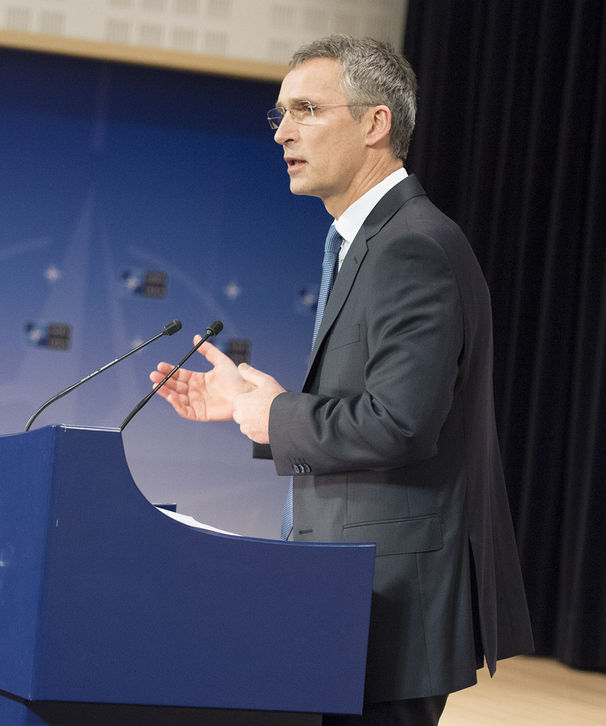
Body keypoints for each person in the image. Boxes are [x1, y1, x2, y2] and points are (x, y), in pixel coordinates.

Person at [150, 36, 533, 725]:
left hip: (390, 598)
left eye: (306, 110)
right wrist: (251, 409)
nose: (284, 133)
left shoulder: (411, 246)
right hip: (349, 596)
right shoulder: (369, 242)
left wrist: (280, 418)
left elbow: (402, 422)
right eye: (279, 116)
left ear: (375, 123)